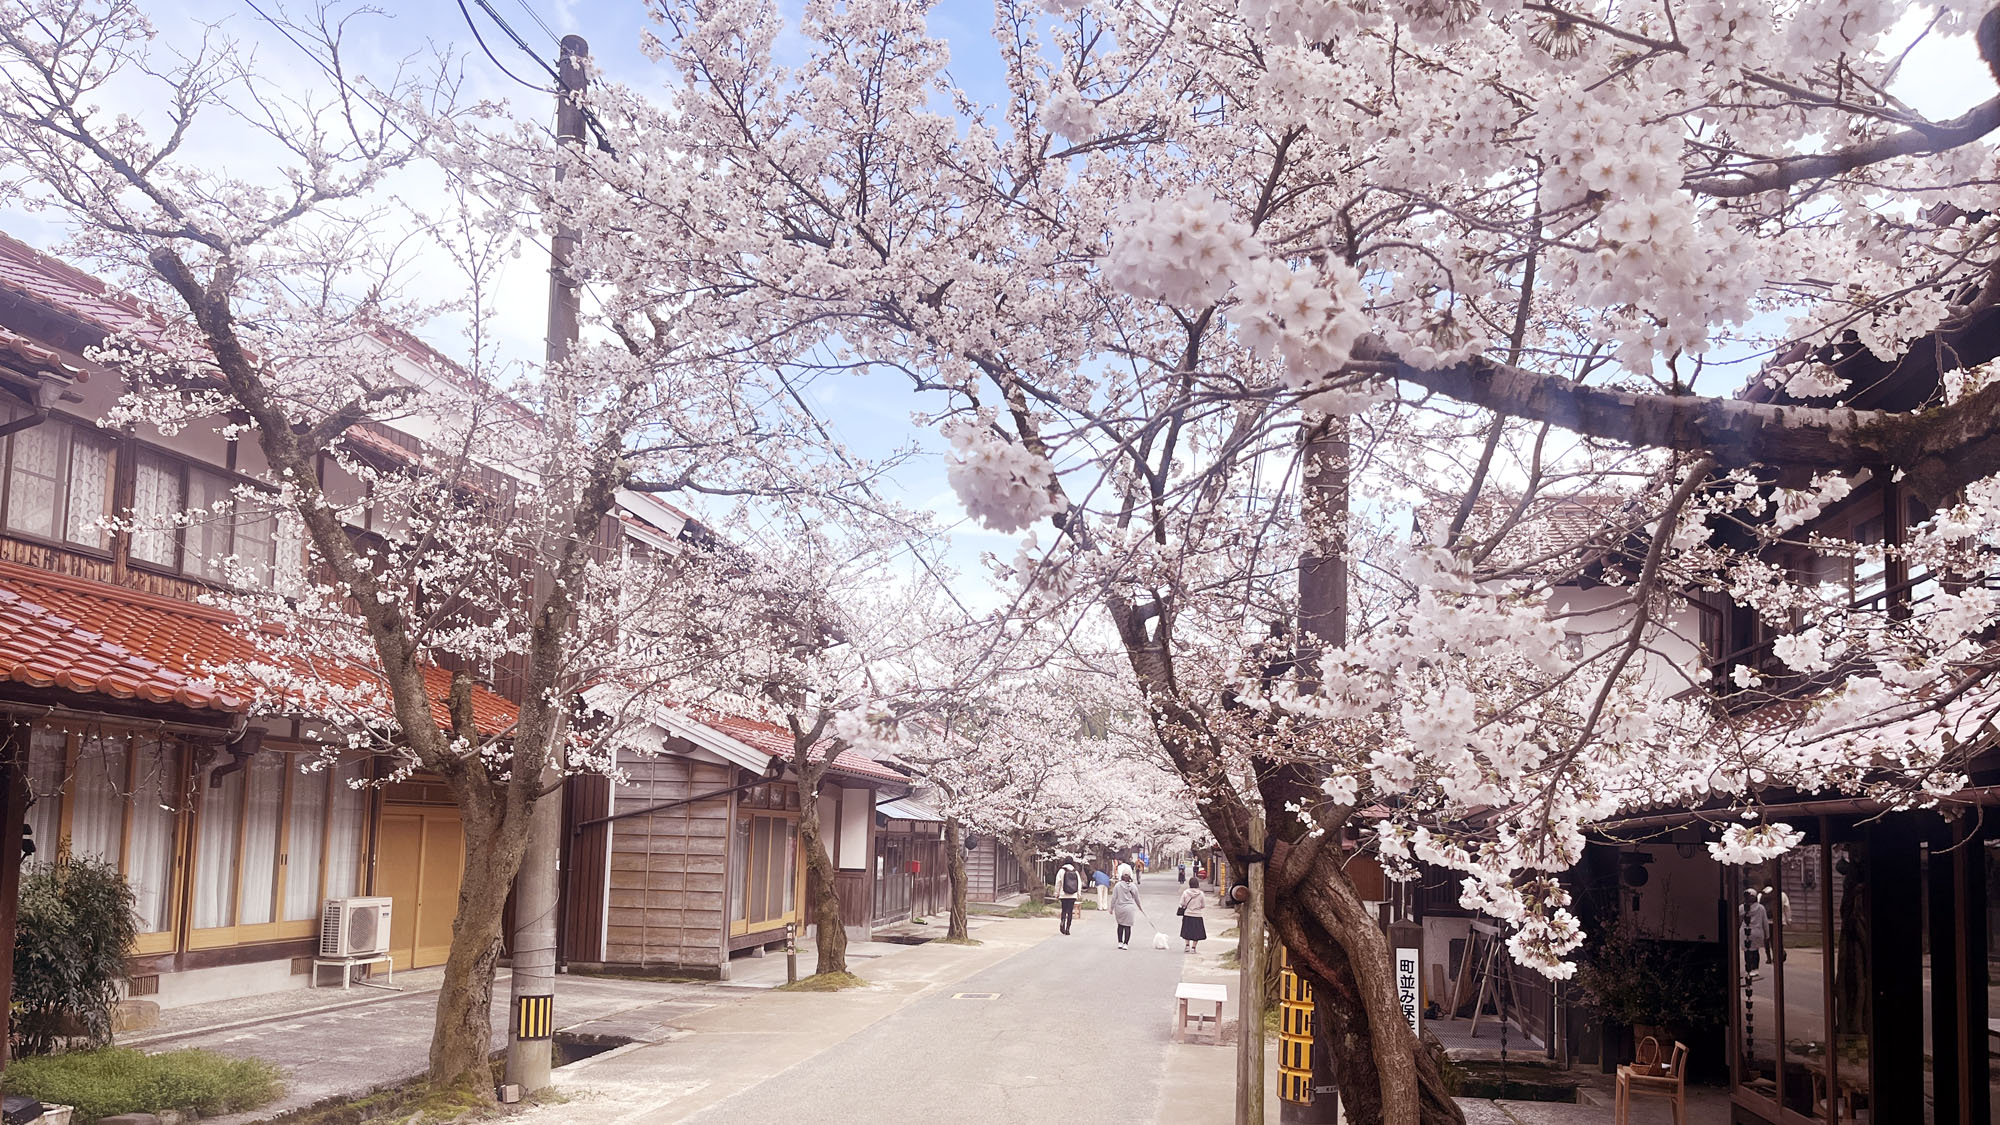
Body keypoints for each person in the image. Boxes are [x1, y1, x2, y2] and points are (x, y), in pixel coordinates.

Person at [1111, 871, 1142, 949]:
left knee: (1120, 925)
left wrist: (1111, 908)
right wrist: (1139, 906)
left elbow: (1114, 898)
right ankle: (1126, 944)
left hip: (1119, 907)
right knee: (1127, 926)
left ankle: (1120, 942)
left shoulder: (1117, 886)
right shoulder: (1133, 886)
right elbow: (1137, 898)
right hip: (1129, 908)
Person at [1178, 877, 1207, 953]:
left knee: (1187, 931)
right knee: (1196, 932)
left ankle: (1187, 946)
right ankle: (1193, 948)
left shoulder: (1185, 892)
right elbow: (1203, 905)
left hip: (1187, 914)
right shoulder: (1201, 894)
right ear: (1197, 884)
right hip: (1197, 915)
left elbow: (1181, 903)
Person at [1057, 862, 1082, 935]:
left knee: (1064, 910)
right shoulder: (1075, 871)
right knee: (1070, 912)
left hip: (1063, 894)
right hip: (1073, 895)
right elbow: (1079, 883)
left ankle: (1062, 922)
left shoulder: (1061, 871)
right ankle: (1068, 928)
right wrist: (1078, 894)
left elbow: (1058, 882)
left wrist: (1056, 893)